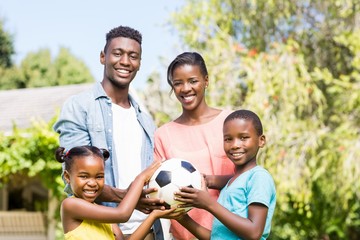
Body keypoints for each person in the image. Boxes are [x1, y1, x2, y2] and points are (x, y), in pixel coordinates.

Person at [53, 25, 165, 239]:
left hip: (147, 232)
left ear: (139, 63)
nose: (125, 61)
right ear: (103, 57)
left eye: (133, 56)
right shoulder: (79, 107)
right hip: (103, 230)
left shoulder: (146, 120)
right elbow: (79, 177)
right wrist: (130, 197)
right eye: (117, 53)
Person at [154, 52, 235, 239]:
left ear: (206, 81)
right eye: (178, 83)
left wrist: (209, 180)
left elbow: (248, 177)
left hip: (230, 234)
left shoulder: (230, 123)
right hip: (184, 235)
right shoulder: (163, 135)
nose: (185, 88)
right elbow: (158, 192)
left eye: (193, 81)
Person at [173, 109, 277, 239]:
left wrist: (209, 203)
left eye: (243, 138)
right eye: (228, 139)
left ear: (261, 140)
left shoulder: (260, 177)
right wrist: (182, 218)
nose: (235, 145)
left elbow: (254, 232)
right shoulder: (230, 184)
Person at [55, 145, 182, 240]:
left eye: (99, 176)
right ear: (67, 177)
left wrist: (154, 216)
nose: (92, 183)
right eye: (84, 176)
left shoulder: (105, 217)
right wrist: (141, 179)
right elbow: (122, 214)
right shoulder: (70, 205)